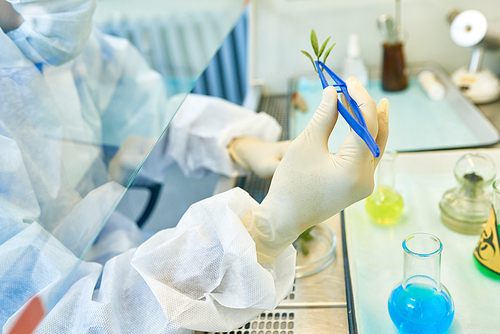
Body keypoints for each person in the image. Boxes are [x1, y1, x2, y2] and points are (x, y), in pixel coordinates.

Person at [0, 0, 389, 333]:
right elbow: (64, 321)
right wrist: (264, 230)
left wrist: (234, 142)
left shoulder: (40, 26)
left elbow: (142, 114)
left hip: (112, 245)